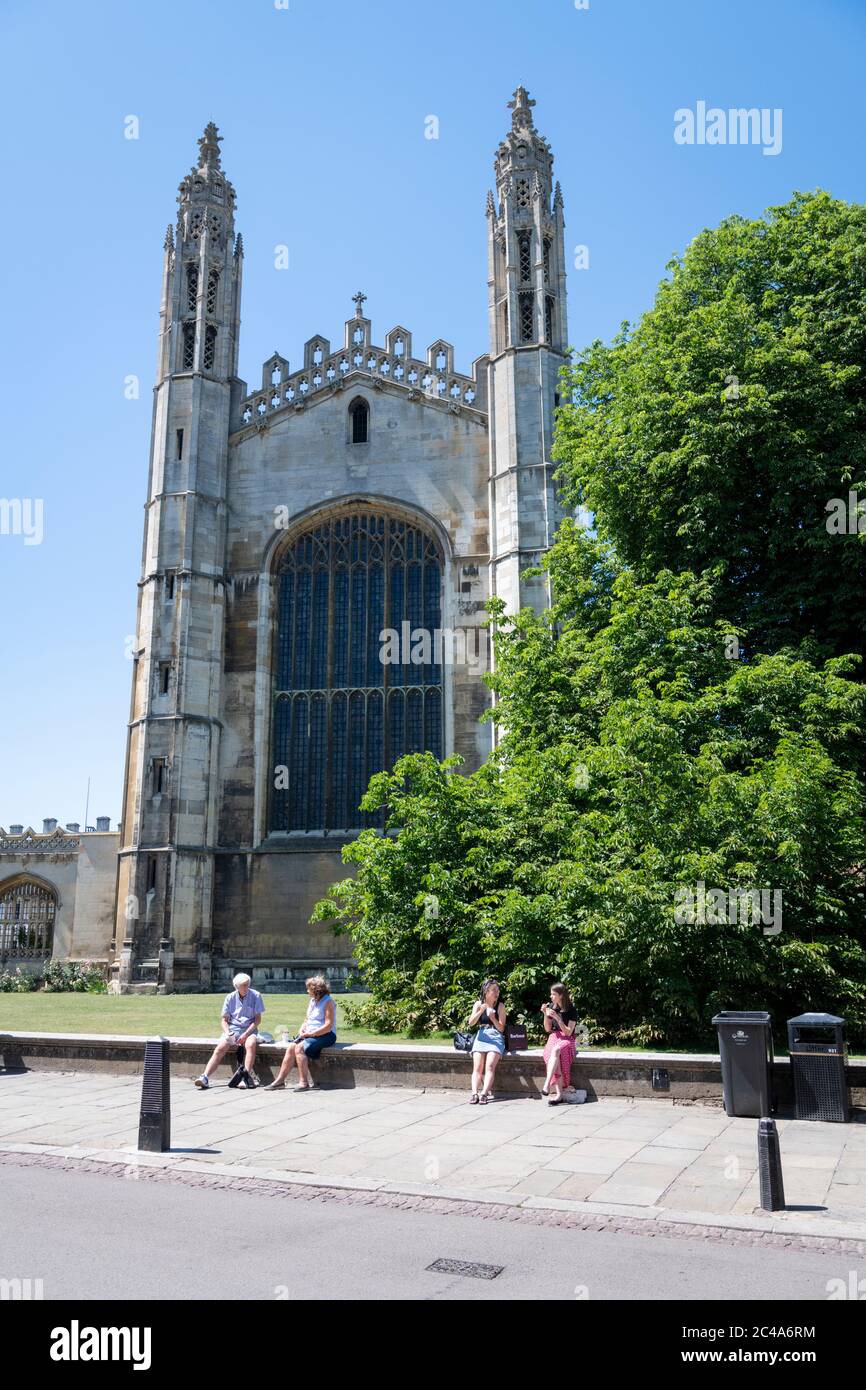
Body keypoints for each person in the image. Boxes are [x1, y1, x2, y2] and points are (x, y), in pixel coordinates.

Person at [265, 975, 336, 1092]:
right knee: (291, 1048)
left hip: (326, 1035)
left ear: (316, 990)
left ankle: (304, 1082)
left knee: (299, 1048)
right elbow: (307, 1019)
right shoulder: (312, 1001)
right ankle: (280, 1081)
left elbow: (328, 1025)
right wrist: (301, 1029)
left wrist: (311, 1034)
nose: (307, 991)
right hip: (309, 1034)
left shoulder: (328, 1001)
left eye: (309, 988)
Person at [194, 972, 264, 1090]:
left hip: (249, 1029)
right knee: (220, 1048)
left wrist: (246, 1034)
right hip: (233, 1029)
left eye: (247, 984)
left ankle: (245, 1078)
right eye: (243, 985)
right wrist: (228, 1032)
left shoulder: (256, 995)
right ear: (236, 987)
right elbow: (224, 1020)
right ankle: (205, 1077)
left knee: (251, 1044)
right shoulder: (230, 997)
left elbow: (257, 1020)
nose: (246, 987)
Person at [467, 978, 506, 1104]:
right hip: (481, 1036)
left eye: (497, 990)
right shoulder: (478, 1004)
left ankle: (484, 1094)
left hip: (495, 1036)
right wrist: (480, 1011)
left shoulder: (500, 1006)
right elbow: (471, 1023)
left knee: (489, 1066)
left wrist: (493, 1018)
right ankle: (474, 1093)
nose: (496, 992)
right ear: (486, 991)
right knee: (477, 1067)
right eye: (493, 990)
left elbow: (501, 1028)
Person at [541, 982, 578, 1105]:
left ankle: (547, 1084)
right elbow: (547, 1029)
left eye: (553, 994)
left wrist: (558, 1018)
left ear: (561, 995)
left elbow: (568, 1033)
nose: (551, 997)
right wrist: (545, 1014)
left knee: (556, 1050)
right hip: (554, 1037)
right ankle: (558, 1095)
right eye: (551, 994)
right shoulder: (552, 1007)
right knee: (553, 1052)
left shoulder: (571, 1010)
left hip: (568, 1039)